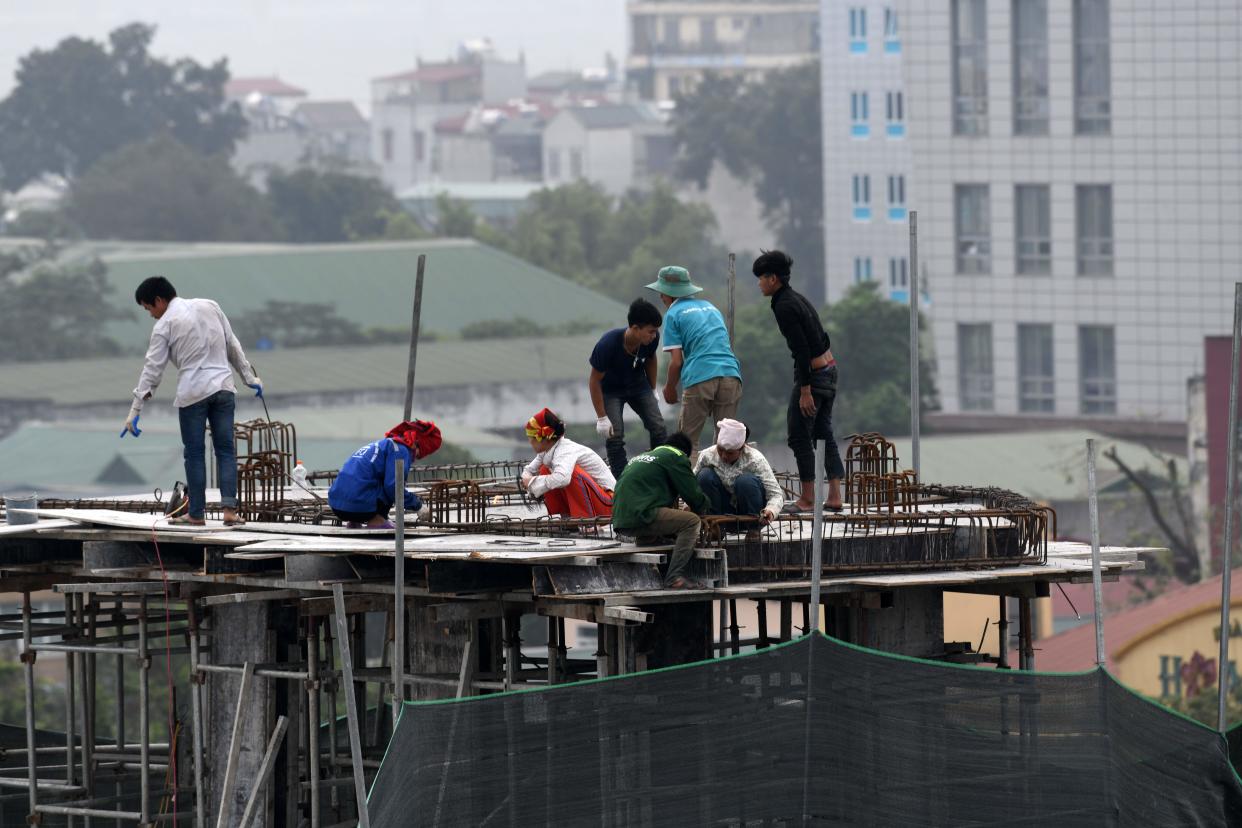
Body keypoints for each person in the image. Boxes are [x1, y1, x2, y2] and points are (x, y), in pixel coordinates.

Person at [122, 276, 262, 526]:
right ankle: (230, 511)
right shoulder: (211, 305)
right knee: (226, 451)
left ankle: (196, 514)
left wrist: (135, 409)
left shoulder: (164, 325)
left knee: (195, 454)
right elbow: (233, 345)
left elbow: (153, 369)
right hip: (223, 388)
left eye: (148, 308)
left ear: (159, 300)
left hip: (193, 393)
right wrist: (251, 379)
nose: (151, 315)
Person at [753, 249, 845, 512]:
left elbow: (801, 350)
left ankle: (807, 499)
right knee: (822, 432)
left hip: (814, 377)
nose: (759, 283)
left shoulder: (784, 306)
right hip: (829, 369)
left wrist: (805, 390)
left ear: (773, 279)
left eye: (761, 278)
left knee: (798, 435)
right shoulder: (797, 298)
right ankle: (835, 496)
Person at [646, 265, 742, 458]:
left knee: (686, 443)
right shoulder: (711, 308)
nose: (661, 298)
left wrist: (670, 388)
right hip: (731, 375)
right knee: (726, 442)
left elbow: (676, 362)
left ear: (669, 293)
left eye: (661, 293)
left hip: (700, 376)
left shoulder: (673, 314)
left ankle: (687, 486)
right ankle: (721, 485)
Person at [611, 432, 710, 589]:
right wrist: (705, 509)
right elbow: (693, 495)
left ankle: (647, 538)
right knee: (691, 522)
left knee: (664, 507)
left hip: (620, 520)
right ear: (685, 452)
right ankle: (674, 577)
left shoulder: (644, 456)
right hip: (641, 514)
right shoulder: (676, 455)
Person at [588, 297, 668, 477]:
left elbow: (651, 359)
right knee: (615, 437)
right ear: (635, 328)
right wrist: (601, 417)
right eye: (650, 331)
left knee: (658, 427)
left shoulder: (651, 340)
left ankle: (661, 471)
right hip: (611, 391)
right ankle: (622, 481)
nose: (654, 336)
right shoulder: (607, 345)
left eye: (656, 332)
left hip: (639, 386)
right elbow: (594, 380)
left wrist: (653, 388)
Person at [328, 420, 442, 528]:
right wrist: (418, 505)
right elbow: (394, 487)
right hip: (359, 507)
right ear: (417, 444)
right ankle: (377, 521)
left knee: (369, 477)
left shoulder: (381, 444)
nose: (416, 458)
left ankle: (354, 522)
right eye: (419, 453)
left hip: (337, 506)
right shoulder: (401, 450)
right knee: (391, 484)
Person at [693, 419, 784, 540]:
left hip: (749, 512)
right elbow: (691, 483)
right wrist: (688, 505)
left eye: (730, 453)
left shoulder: (755, 460)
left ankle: (753, 530)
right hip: (721, 512)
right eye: (720, 450)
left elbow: (776, 494)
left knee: (745, 481)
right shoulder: (707, 455)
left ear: (742, 448)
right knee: (704, 476)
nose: (724, 456)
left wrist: (771, 511)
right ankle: (716, 528)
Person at [521, 408, 616, 519]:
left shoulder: (565, 451)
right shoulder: (547, 450)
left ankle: (586, 521)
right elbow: (529, 470)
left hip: (610, 503)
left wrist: (532, 482)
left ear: (544, 439)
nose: (530, 442)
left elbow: (563, 479)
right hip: (598, 500)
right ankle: (564, 517)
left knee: (569, 474)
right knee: (544, 469)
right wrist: (527, 480)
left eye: (532, 439)